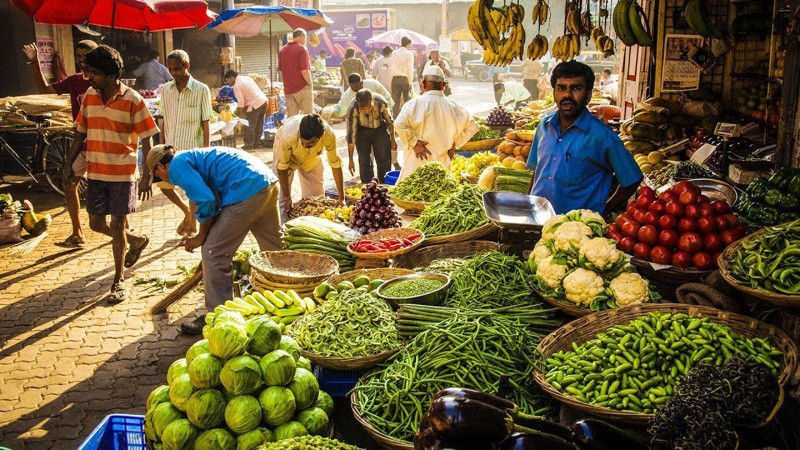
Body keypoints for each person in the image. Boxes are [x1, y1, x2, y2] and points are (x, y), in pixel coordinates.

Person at [146, 145, 282, 335]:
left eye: (158, 175)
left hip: (246, 190)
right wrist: (207, 236)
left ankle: (219, 315)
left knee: (213, 253)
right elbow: (214, 207)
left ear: (160, 166)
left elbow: (206, 201)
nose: (162, 179)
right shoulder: (193, 156)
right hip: (266, 183)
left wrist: (201, 238)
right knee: (274, 249)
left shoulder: (176, 166)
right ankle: (286, 300)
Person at [63, 45, 158, 303]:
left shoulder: (133, 99)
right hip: (95, 172)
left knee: (117, 226)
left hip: (123, 175)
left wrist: (147, 173)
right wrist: (69, 166)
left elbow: (149, 138)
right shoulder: (89, 98)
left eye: (93, 72)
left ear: (110, 74)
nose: (88, 76)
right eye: (87, 70)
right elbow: (79, 134)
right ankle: (136, 240)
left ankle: (118, 280)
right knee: (95, 224)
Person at [525, 61, 642, 216]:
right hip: (537, 220)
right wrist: (527, 205)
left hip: (577, 229)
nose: (567, 94)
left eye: (576, 88)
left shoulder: (602, 136)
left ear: (588, 95)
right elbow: (537, 172)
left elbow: (632, 178)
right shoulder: (544, 126)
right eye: (561, 88)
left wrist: (604, 210)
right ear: (554, 93)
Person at [22, 39, 98, 248]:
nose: (82, 61)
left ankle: (124, 230)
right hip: (80, 144)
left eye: (86, 56)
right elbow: (45, 90)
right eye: (79, 56)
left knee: (106, 190)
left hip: (101, 145)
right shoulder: (74, 81)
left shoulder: (102, 82)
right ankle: (77, 233)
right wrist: (34, 62)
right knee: (69, 184)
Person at [158, 49, 214, 237]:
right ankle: (187, 213)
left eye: (177, 69)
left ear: (186, 66)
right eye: (170, 69)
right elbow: (162, 119)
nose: (173, 73)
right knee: (163, 185)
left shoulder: (201, 89)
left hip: (192, 149)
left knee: (191, 189)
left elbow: (206, 121)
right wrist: (160, 146)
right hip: (170, 148)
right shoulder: (166, 89)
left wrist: (205, 150)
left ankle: (192, 227)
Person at [394, 65, 478, 181]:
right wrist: (456, 143)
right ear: (443, 86)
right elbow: (473, 126)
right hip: (442, 169)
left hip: (416, 165)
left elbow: (399, 124)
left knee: (411, 196)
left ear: (423, 84)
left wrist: (414, 143)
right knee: (440, 197)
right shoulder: (455, 107)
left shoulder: (413, 104)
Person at [272, 114, 344, 222]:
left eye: (310, 144)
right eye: (302, 142)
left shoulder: (329, 135)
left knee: (316, 201)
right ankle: (284, 233)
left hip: (312, 158)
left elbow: (335, 164)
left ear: (321, 136)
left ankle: (314, 228)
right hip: (288, 158)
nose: (305, 146)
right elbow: (282, 168)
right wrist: (287, 198)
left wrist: (341, 197)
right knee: (282, 201)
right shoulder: (288, 136)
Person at [346, 89, 396, 184]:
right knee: (364, 160)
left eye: (369, 107)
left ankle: (384, 184)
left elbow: (390, 123)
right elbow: (351, 136)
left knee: (383, 158)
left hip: (379, 129)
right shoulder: (353, 109)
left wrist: (393, 139)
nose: (366, 111)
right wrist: (350, 160)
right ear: (358, 104)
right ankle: (368, 186)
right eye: (363, 109)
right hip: (362, 131)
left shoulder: (381, 104)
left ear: (373, 100)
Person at [224, 70, 267, 150]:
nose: (228, 83)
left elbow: (241, 102)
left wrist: (240, 116)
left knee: (250, 125)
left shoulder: (237, 85)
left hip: (255, 104)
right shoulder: (246, 78)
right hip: (263, 100)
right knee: (259, 124)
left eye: (228, 80)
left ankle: (248, 145)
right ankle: (256, 144)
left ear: (232, 78)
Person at [278, 29, 313, 117]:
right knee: (308, 117)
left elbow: (281, 70)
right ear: (301, 36)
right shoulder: (302, 49)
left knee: (292, 118)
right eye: (305, 38)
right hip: (302, 88)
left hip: (288, 89)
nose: (305, 41)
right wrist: (310, 84)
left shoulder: (283, 50)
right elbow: (304, 71)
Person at [389, 37, 415, 117]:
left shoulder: (394, 53)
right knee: (407, 101)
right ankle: (406, 118)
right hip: (404, 79)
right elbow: (410, 69)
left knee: (395, 102)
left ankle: (395, 120)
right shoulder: (409, 54)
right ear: (408, 44)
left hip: (395, 79)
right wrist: (410, 82)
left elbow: (391, 66)